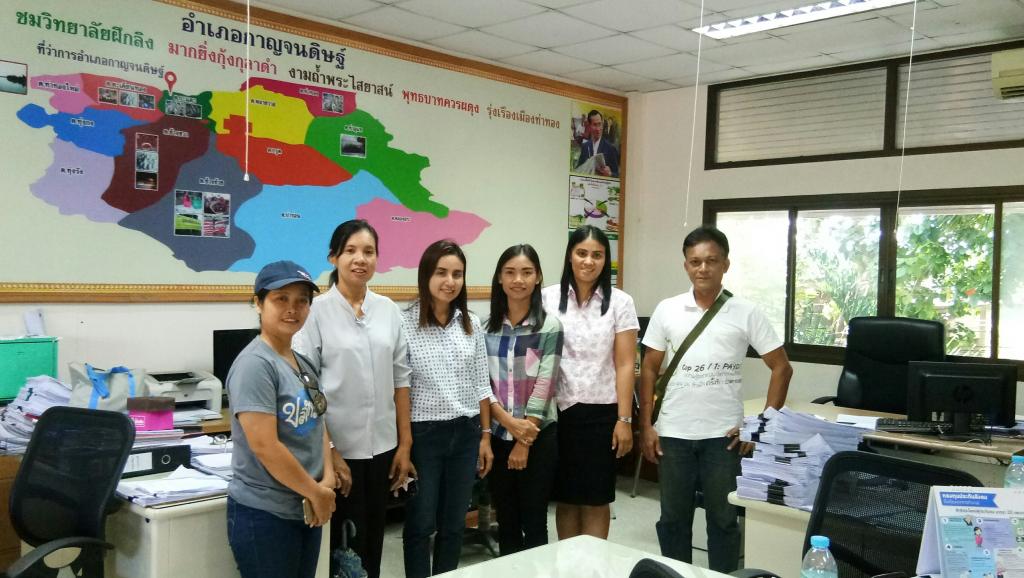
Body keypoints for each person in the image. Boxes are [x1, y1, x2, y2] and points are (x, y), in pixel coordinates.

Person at [639, 225, 792, 574]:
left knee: (723, 520)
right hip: (673, 434)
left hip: (724, 437)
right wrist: (645, 425)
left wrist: (761, 427)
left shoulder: (746, 311)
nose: (703, 268)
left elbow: (782, 368)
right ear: (686, 266)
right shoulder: (667, 309)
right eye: (695, 262)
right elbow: (648, 369)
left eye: (711, 261)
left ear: (726, 264)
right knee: (672, 520)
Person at [293, 219, 414, 578]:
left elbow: (401, 380)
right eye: (350, 250)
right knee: (342, 545)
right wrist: (330, 452)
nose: (360, 259)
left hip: (382, 447)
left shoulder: (388, 310)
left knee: (373, 540)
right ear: (333, 257)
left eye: (368, 251)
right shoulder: (316, 312)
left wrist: (405, 444)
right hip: (338, 451)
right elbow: (306, 387)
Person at [226, 260, 336, 578]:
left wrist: (327, 480)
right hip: (265, 515)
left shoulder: (301, 362)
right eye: (281, 299)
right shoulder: (255, 365)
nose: (292, 308)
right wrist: (316, 492)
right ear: (258, 303)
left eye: (302, 300)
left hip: (305, 506)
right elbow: (266, 447)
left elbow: (318, 423)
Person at [401, 240, 494, 578]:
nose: (449, 281)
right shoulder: (404, 323)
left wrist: (485, 436)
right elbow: (400, 389)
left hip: (466, 433)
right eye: (441, 272)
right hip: (424, 435)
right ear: (426, 275)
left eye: (457, 274)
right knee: (420, 523)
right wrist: (404, 444)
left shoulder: (471, 323)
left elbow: (481, 383)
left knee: (454, 524)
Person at [543, 226, 639, 539]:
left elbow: (625, 364)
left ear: (605, 260)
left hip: (602, 413)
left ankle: (594, 563)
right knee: (567, 497)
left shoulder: (621, 302)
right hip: (559, 411)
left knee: (597, 498)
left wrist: (624, 419)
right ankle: (569, 562)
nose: (588, 261)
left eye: (597, 255)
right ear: (570, 256)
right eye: (581, 253)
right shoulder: (547, 298)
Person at [484, 244, 563, 556]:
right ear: (499, 278)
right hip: (498, 435)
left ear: (538, 277)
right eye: (510, 272)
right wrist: (507, 423)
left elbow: (545, 384)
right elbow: (482, 384)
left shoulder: (549, 326)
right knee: (506, 521)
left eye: (527, 272)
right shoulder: (485, 328)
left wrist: (524, 440)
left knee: (534, 520)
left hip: (539, 436)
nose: (518, 280)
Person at [575, 110, 620, 178]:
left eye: (600, 124)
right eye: (595, 125)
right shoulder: (585, 146)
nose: (598, 128)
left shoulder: (610, 148)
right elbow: (578, 170)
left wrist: (610, 174)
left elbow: (617, 175)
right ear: (589, 126)